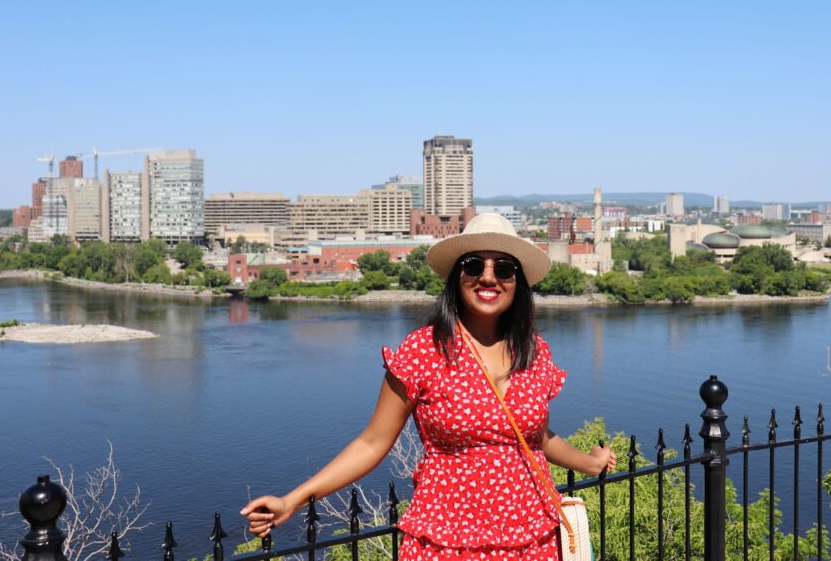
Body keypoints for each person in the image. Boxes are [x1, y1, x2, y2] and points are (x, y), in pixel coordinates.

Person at [241, 213, 615, 559]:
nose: (488, 277)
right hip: (447, 539)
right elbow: (372, 443)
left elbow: (534, 436)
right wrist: (292, 501)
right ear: (457, 276)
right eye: (473, 266)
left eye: (503, 268)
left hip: (533, 537)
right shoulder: (425, 350)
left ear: (517, 282)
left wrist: (590, 462)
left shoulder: (533, 350)